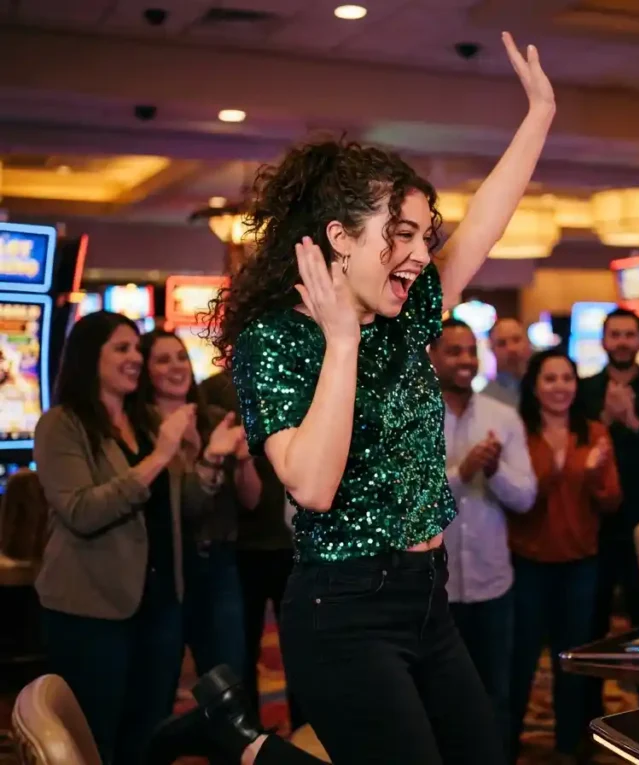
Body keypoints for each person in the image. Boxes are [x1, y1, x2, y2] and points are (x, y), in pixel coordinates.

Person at [150, 31, 553, 765]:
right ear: (339, 237)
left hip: (429, 598)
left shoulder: (402, 317)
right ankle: (239, 741)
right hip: (343, 611)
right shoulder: (277, 340)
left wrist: (539, 117)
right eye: (402, 234)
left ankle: (236, 740)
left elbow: (484, 229)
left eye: (425, 235)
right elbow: (311, 485)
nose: (422, 253)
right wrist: (340, 341)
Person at [32, 311, 232, 764]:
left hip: (159, 603)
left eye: (137, 349)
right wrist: (160, 456)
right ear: (90, 357)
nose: (135, 358)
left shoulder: (144, 421)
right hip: (92, 608)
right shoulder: (62, 424)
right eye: (121, 348)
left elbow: (184, 508)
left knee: (149, 736)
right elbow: (82, 511)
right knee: (94, 739)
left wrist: (211, 460)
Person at [428, 317, 536, 758]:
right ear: (432, 357)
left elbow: (525, 497)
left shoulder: (502, 416)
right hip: (436, 589)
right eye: (454, 351)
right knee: (440, 700)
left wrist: (493, 471)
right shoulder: (415, 417)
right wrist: (462, 472)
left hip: (493, 585)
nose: (465, 360)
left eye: (471, 351)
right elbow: (411, 502)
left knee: (496, 695)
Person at [508, 349, 621, 763]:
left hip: (579, 562)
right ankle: (505, 743)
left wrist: (591, 476)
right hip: (528, 562)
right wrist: (557, 471)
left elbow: (612, 501)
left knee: (571, 661)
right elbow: (516, 500)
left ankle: (570, 746)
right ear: (535, 386)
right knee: (520, 660)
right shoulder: (518, 430)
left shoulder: (594, 432)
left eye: (567, 378)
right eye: (550, 379)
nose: (560, 387)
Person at [135, 329, 256, 680]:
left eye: (181, 357)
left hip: (219, 563)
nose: (176, 366)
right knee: (158, 681)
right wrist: (211, 458)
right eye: (163, 360)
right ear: (146, 371)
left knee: (227, 679)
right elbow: (185, 508)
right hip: (165, 566)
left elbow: (251, 500)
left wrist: (244, 461)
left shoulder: (216, 418)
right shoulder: (140, 429)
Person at [200, 368, 304, 728]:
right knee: (240, 653)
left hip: (296, 540)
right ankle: (250, 741)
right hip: (238, 543)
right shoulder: (214, 390)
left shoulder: (299, 378)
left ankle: (308, 736)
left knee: (303, 649)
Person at [578, 308, 639, 633]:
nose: (622, 342)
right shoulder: (583, 390)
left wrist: (631, 419)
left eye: (629, 335)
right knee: (591, 617)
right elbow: (578, 450)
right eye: (615, 335)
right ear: (603, 340)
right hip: (594, 518)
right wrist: (606, 418)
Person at [482, 317, 530, 407]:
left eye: (516, 340)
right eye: (502, 343)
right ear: (492, 350)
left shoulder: (548, 389)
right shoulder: (485, 399)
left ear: (528, 342)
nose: (511, 349)